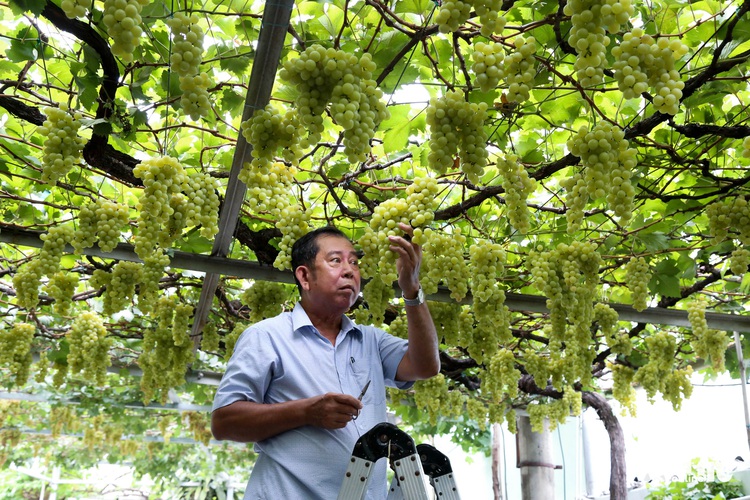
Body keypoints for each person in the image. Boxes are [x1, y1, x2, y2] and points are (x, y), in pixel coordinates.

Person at [210, 222, 440, 499]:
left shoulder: (372, 340)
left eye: (354, 262)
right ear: (304, 277)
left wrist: (412, 289)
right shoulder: (266, 336)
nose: (350, 270)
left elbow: (426, 366)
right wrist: (307, 412)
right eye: (335, 260)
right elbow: (224, 422)